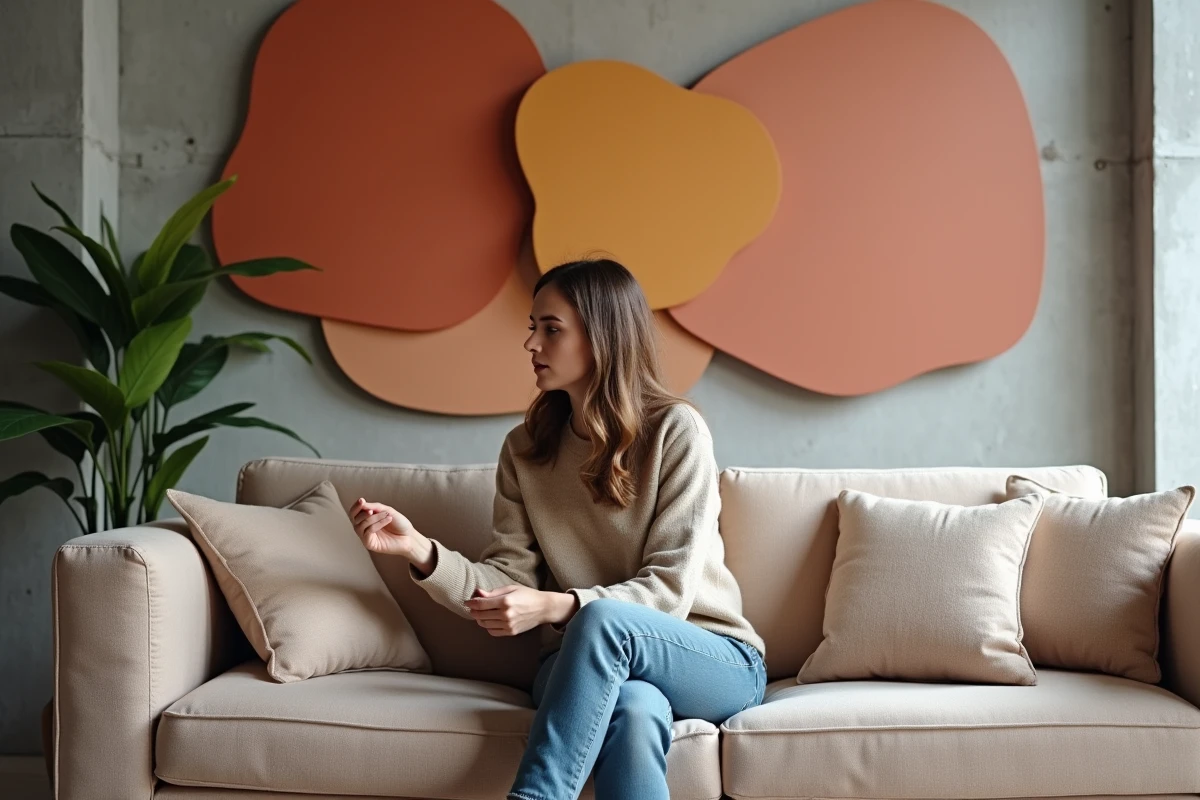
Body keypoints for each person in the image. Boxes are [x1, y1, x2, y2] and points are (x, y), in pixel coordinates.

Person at [350, 258, 766, 800]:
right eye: (533, 327)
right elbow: (506, 581)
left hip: (710, 656)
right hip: (578, 664)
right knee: (634, 707)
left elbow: (668, 592)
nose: (532, 345)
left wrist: (557, 606)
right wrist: (421, 551)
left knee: (603, 621)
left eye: (552, 329)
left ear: (601, 338)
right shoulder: (526, 449)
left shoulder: (675, 432)